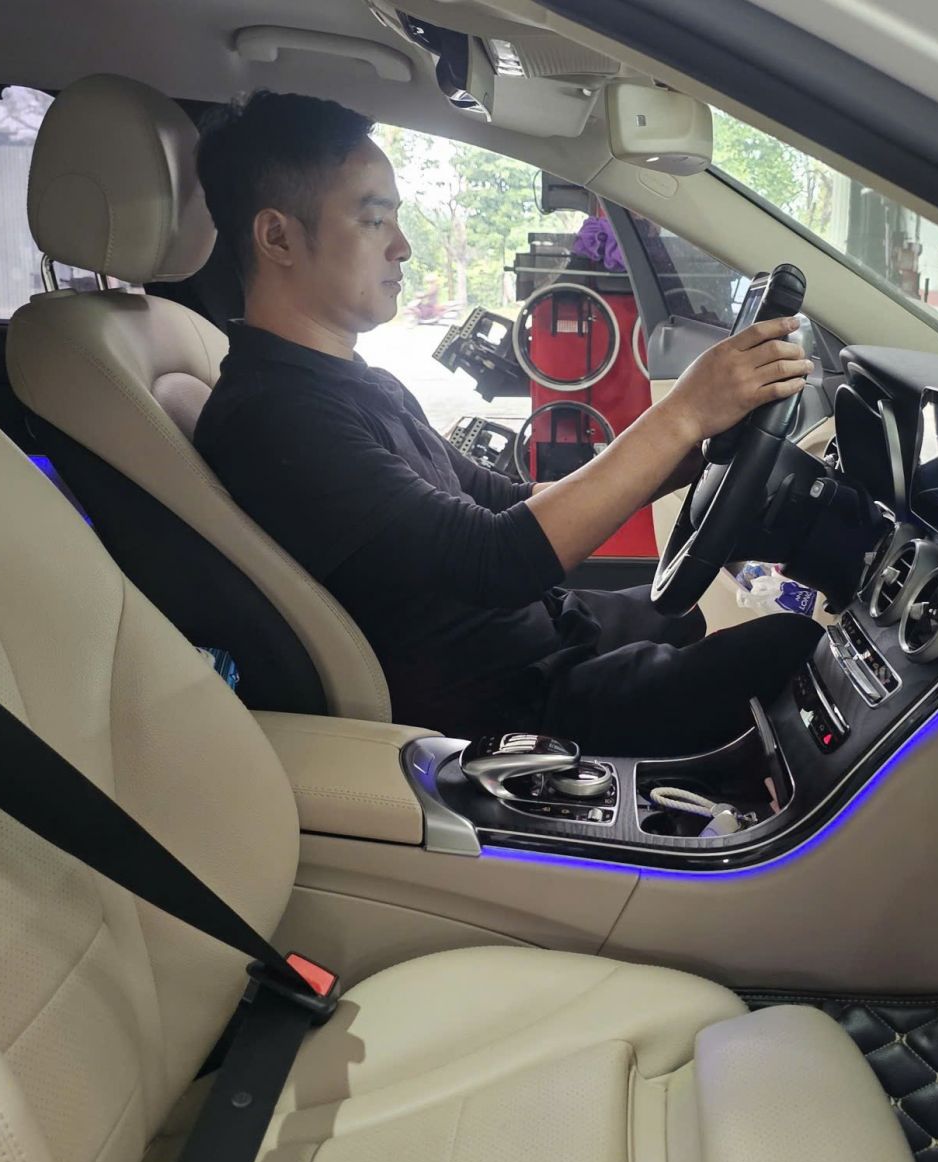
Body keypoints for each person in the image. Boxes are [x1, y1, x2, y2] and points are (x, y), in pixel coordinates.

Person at [192, 91, 821, 755]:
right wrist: (682, 412)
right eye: (374, 221)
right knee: (792, 647)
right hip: (508, 710)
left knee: (695, 612)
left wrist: (685, 457)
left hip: (544, 638)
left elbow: (501, 501)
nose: (403, 247)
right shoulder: (277, 418)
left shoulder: (352, 382)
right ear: (277, 237)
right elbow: (492, 560)